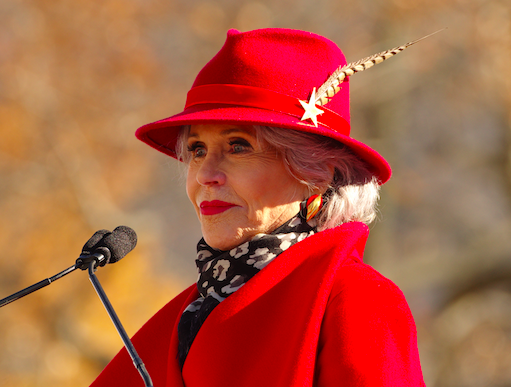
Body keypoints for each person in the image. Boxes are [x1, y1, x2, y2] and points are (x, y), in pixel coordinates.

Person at [91, 28, 425, 386]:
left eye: (238, 146)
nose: (205, 174)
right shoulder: (189, 313)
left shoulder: (357, 301)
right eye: (197, 150)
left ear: (318, 173)